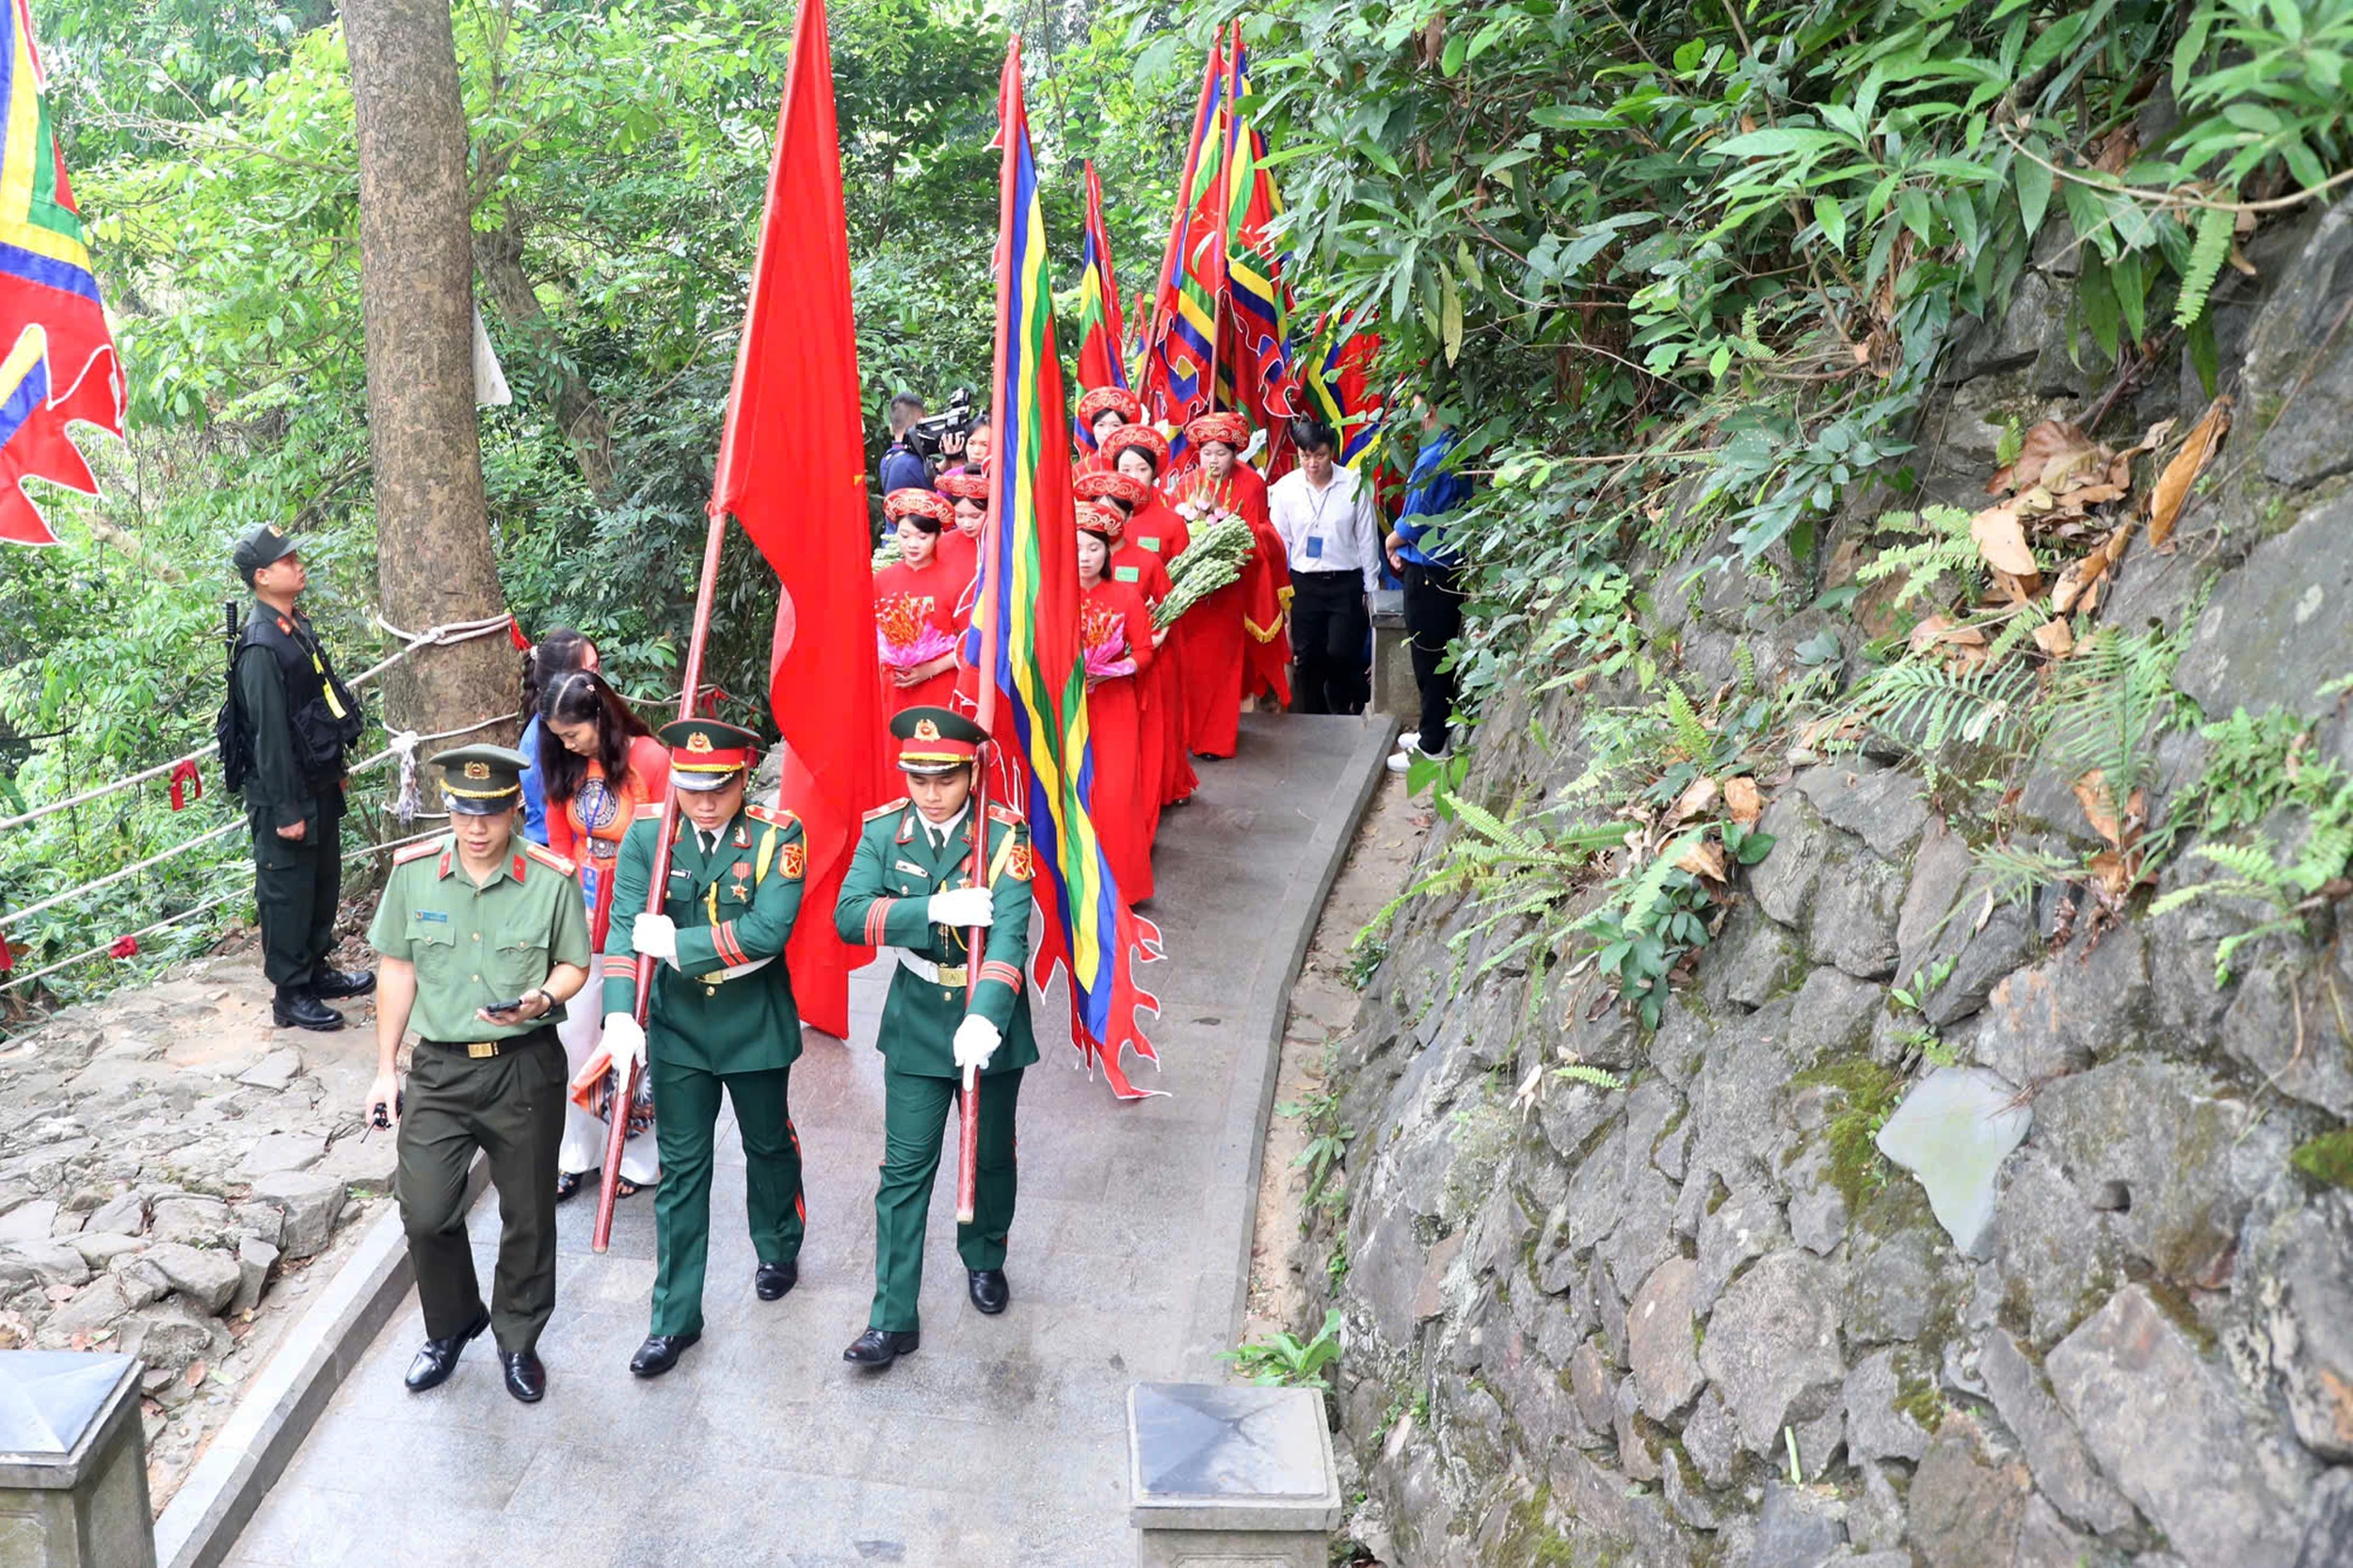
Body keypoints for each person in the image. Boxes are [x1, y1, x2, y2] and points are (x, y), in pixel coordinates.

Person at [363, 744, 591, 1405]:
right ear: (449, 809)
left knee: (528, 1214)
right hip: (439, 1070)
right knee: (426, 1210)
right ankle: (454, 1321)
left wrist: (544, 999)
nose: (476, 828)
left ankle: (518, 1339)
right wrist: (385, 1070)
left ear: (515, 808)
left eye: (490, 812)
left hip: (523, 1068)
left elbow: (574, 962)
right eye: (464, 812)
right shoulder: (413, 876)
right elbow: (397, 969)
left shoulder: (550, 879)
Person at [587, 719, 809, 1378]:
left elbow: (769, 930)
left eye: (718, 788)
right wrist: (621, 1017)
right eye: (691, 788)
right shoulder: (650, 836)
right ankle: (674, 1318)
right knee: (683, 1172)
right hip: (679, 1025)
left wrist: (680, 946)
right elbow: (626, 930)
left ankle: (778, 1242)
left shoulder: (778, 836)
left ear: (743, 778)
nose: (704, 802)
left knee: (766, 1143)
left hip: (752, 1022)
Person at [832, 707, 1036, 1370]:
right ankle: (891, 1318)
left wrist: (986, 1013)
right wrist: (932, 910)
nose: (929, 791)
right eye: (918, 778)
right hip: (918, 1015)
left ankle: (984, 1256)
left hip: (988, 1021)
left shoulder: (1004, 834)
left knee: (989, 1156)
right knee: (904, 1168)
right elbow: (849, 915)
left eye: (944, 778)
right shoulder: (883, 832)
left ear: (969, 772)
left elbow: (1010, 933)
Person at [226, 523, 371, 1032]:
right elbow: (268, 737)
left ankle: (316, 970)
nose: (297, 564)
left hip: (317, 783)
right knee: (287, 891)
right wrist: (286, 810)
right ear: (262, 577)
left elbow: (314, 710)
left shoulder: (294, 626)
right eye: (287, 561)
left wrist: (335, 772)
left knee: (321, 882)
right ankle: (290, 993)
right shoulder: (261, 645)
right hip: (285, 795)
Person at [537, 670, 670, 1200]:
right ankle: (579, 1153)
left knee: (631, 1041)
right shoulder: (565, 761)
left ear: (600, 717)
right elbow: (555, 838)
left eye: (574, 734)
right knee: (574, 1039)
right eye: (559, 737)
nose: (566, 744)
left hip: (632, 912)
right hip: (579, 913)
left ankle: (637, 1159)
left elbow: (666, 839)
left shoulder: (650, 761)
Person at [1173, 413, 1287, 758]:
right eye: (1207, 452)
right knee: (1191, 667)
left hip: (1232, 587)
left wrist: (1232, 551)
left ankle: (1217, 741)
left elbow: (1259, 531)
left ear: (1234, 453)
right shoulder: (1184, 486)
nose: (1213, 460)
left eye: (1220, 453)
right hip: (1193, 593)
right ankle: (1190, 735)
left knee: (1223, 667)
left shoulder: (1252, 483)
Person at [1104, 425, 1198, 807]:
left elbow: (1178, 588)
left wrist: (1157, 629)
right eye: (1125, 468)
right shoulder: (1091, 542)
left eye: (1140, 469)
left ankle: (1164, 785)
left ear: (1154, 473)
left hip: (1155, 643)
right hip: (1107, 653)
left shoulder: (1169, 522)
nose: (1132, 476)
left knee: (1159, 720)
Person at [1267, 417, 1383, 715]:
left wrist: (1371, 588)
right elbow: (1281, 544)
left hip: (1345, 580)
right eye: (1306, 456)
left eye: (1320, 455)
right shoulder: (1285, 489)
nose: (1313, 464)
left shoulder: (1353, 484)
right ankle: (1311, 716)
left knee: (1341, 651)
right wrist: (1279, 593)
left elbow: (1367, 539)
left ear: (1332, 452)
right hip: (1304, 582)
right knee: (1307, 655)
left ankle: (1342, 707)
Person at [1075, 503, 1159, 900]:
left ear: (1108, 552)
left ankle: (1122, 887)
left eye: (1093, 548)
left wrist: (1112, 669)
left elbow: (1144, 652)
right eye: (1076, 548)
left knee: (1116, 793)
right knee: (1075, 794)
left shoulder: (1126, 596)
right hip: (1070, 709)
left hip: (1114, 705)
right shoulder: (1053, 598)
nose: (1084, 557)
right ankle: (1077, 886)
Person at [1385, 401, 1475, 771]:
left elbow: (1415, 519)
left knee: (1428, 654)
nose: (1420, 418)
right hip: (1447, 564)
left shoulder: (1435, 457)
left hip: (1430, 567)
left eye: (1423, 410)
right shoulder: (1461, 449)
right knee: (1440, 651)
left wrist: (1392, 541)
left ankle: (1432, 743)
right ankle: (1432, 728)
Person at [873, 488, 966, 717]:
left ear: (938, 537)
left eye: (922, 537)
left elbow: (973, 641)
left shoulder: (956, 580)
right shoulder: (882, 580)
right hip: (893, 688)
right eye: (904, 536)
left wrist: (930, 669)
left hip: (940, 687)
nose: (912, 544)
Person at [518, 630, 598, 847]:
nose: (596, 680)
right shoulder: (537, 741)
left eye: (596, 668)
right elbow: (556, 820)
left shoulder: (594, 721)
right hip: (553, 851)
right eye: (588, 671)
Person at [877, 392, 930, 497]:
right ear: (922, 422)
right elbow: (942, 498)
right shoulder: (911, 463)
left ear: (891, 428)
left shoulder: (888, 457)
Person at [1075, 384, 1142, 456]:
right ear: (1093, 428)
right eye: (1101, 425)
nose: (1107, 432)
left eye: (1115, 425)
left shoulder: (1138, 465)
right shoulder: (1084, 466)